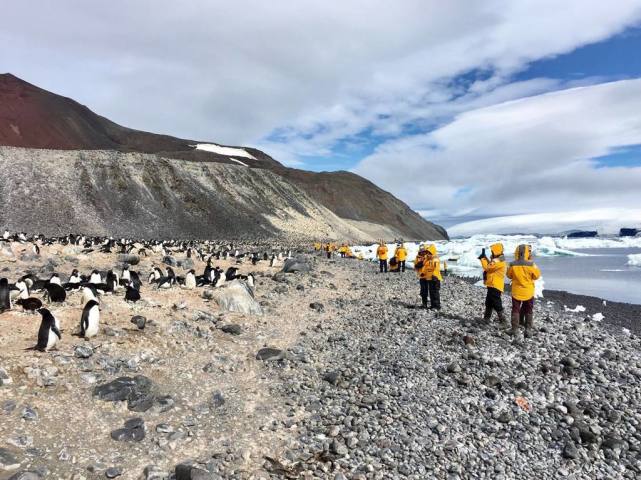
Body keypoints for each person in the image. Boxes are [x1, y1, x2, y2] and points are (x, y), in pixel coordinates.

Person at [507, 244, 541, 338]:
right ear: (527, 253)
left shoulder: (512, 264)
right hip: (528, 291)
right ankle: (528, 329)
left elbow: (509, 275)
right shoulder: (531, 264)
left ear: (517, 252)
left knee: (515, 309)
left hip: (516, 290)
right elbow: (537, 276)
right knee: (528, 309)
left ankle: (514, 329)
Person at [478, 243, 507, 326]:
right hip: (492, 284)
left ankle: (503, 321)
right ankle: (486, 319)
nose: (492, 252)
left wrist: (483, 259)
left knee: (496, 303)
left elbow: (488, 268)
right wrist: (486, 258)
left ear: (496, 251)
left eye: (492, 251)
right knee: (489, 302)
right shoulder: (498, 259)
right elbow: (491, 266)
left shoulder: (498, 261)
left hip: (495, 285)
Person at [417, 244, 442, 310]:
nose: (428, 255)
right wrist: (423, 273)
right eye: (427, 253)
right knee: (431, 292)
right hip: (429, 279)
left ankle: (437, 306)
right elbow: (425, 268)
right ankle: (432, 305)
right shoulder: (427, 260)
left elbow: (436, 268)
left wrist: (434, 275)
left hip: (435, 279)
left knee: (435, 292)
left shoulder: (435, 260)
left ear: (433, 253)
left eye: (429, 253)